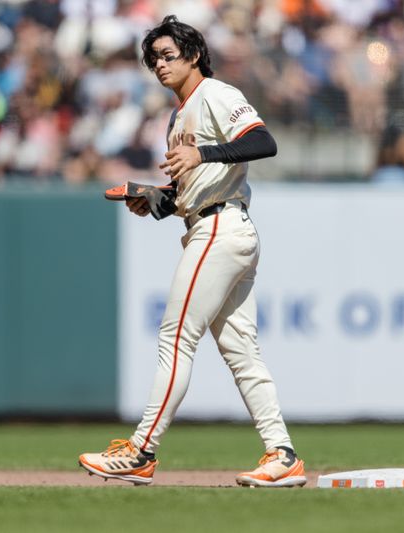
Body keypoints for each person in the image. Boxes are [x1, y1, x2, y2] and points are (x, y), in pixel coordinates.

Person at [78, 15, 306, 488]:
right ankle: (283, 454)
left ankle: (141, 451)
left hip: (221, 229)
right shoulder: (178, 117)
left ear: (194, 55)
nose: (159, 65)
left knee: (176, 337)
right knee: (241, 350)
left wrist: (203, 154)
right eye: (153, 58)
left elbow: (264, 142)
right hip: (214, 222)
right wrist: (154, 200)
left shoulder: (216, 95)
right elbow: (189, 191)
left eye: (168, 55)